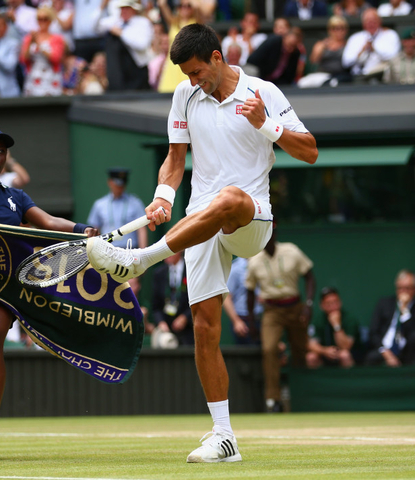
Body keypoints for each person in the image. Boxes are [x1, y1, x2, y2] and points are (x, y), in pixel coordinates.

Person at [85, 23, 317, 462]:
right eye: (186, 75)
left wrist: (265, 124)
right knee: (204, 327)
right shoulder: (184, 95)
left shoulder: (264, 92)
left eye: (196, 72)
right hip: (199, 220)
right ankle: (224, 437)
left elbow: (310, 151)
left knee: (228, 197)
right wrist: (163, 197)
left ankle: (141, 260)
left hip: (250, 218)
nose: (192, 81)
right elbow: (176, 158)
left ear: (216, 57)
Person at [0, 125, 98, 461]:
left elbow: (47, 222)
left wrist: (81, 229)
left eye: (1, 151)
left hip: (2, 287)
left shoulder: (16, 197)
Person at [245, 227, 315, 412]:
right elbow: (250, 292)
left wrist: (308, 305)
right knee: (269, 349)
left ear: (275, 235)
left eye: (270, 233)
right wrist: (251, 321)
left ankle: (302, 395)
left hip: (295, 306)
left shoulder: (291, 250)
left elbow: (309, 277)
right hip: (272, 310)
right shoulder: (254, 261)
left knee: (300, 348)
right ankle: (273, 400)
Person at [97, 0, 153, 91]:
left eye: (127, 8)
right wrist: (101, 7)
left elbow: (142, 45)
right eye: (122, 8)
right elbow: (95, 27)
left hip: (137, 72)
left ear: (133, 9)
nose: (124, 11)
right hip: (119, 73)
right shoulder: (116, 22)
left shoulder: (143, 23)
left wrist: (121, 33)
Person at [87, 168, 147, 249]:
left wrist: (142, 251)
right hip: (108, 250)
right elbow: (95, 229)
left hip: (130, 249)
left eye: (122, 184)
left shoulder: (135, 203)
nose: (120, 187)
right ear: (110, 182)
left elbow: (142, 229)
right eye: (117, 183)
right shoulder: (99, 204)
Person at [366, 269, 415, 367]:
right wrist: (385, 352)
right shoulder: (384, 304)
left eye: (407, 288)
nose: (403, 292)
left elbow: (412, 336)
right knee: (371, 358)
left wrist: (404, 311)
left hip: (407, 353)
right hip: (384, 350)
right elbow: (373, 333)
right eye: (400, 288)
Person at [156, 0, 205, 93]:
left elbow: (200, 14)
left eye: (188, 6)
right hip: (173, 65)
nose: (184, 8)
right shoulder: (174, 22)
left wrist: (196, 6)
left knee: (189, 93)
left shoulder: (196, 22)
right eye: (181, 6)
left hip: (189, 63)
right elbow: (162, 5)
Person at [306, 286, 358, 368]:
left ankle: (350, 377)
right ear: (322, 305)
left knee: (344, 355)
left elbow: (345, 347)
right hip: (325, 354)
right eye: (329, 303)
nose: (333, 306)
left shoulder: (349, 319)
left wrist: (336, 325)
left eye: (335, 302)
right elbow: (311, 344)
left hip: (351, 355)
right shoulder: (318, 320)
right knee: (311, 357)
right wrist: (324, 351)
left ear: (340, 302)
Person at [341, 8, 400, 79]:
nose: (371, 24)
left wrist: (375, 49)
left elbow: (394, 56)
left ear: (380, 21)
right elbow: (346, 62)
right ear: (363, 23)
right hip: (358, 77)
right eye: (367, 21)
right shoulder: (355, 38)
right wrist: (360, 52)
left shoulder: (390, 35)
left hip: (381, 76)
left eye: (373, 21)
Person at [20, 7, 66, 97]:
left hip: (51, 78)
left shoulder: (57, 39)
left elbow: (56, 59)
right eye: (40, 19)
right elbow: (24, 59)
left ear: (50, 21)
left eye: (45, 19)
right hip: (33, 77)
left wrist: (39, 44)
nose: (42, 22)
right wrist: (30, 43)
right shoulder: (29, 38)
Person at [151, 251, 194, 346]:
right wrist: (161, 322)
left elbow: (198, 300)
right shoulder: (159, 273)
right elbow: (156, 306)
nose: (166, 254)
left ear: (180, 250)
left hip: (189, 331)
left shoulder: (191, 270)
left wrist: (185, 317)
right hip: (167, 333)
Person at [298, 15, 351, 88]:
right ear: (329, 30)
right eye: (335, 28)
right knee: (302, 83)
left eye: (342, 28)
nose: (338, 31)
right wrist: (321, 48)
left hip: (340, 76)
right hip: (322, 75)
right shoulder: (322, 44)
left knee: (333, 83)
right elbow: (313, 61)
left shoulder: (349, 44)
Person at [223, 256, 262, 345]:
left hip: (262, 319)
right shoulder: (236, 268)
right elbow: (226, 297)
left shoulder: (263, 264)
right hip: (243, 321)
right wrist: (236, 321)